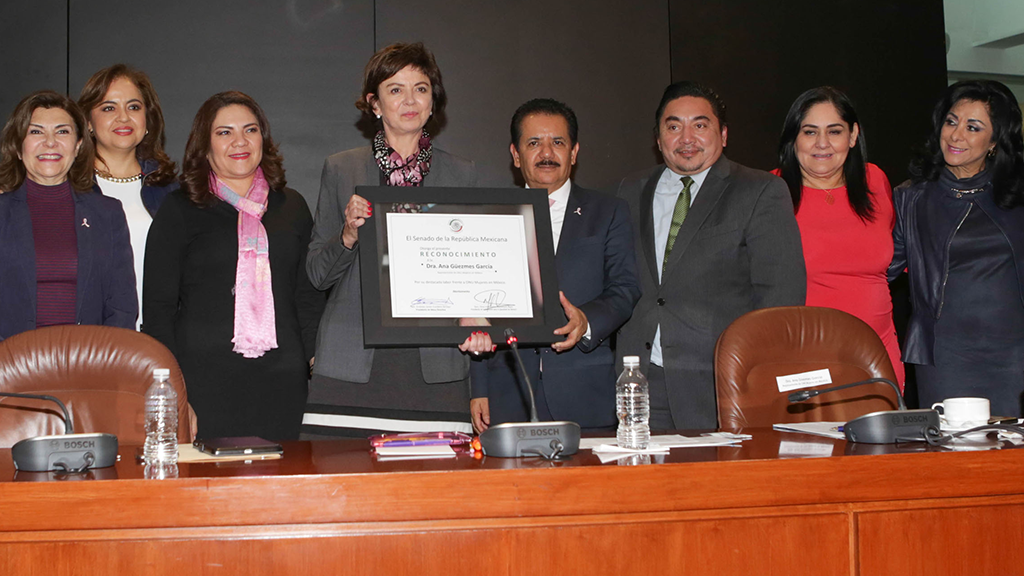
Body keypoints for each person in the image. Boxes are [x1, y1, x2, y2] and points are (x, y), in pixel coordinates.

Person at [302, 42, 483, 438]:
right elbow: (317, 273)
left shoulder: (461, 174)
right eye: (395, 89)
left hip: (434, 368)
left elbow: (473, 270)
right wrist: (348, 235)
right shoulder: (342, 168)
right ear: (375, 103)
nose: (410, 100)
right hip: (352, 363)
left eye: (421, 88)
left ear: (433, 102)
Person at [615, 81, 806, 430]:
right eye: (674, 127)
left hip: (721, 384)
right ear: (658, 140)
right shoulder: (631, 190)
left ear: (724, 134)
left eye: (700, 125)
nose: (686, 138)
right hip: (641, 383)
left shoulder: (760, 191)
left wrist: (756, 381)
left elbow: (781, 299)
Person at [144, 91, 324, 440]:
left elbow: (307, 297)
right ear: (204, 145)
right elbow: (158, 312)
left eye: (250, 130)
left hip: (283, 382)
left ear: (263, 139)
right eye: (224, 132)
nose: (239, 141)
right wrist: (176, 397)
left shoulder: (292, 206)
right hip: (203, 384)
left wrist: (318, 366)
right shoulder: (179, 209)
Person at [469, 99, 641, 433]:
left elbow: (625, 288)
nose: (547, 152)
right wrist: (480, 388)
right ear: (516, 155)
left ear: (574, 152)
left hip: (586, 392)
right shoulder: (489, 215)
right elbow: (475, 305)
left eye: (558, 143)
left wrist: (586, 320)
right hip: (507, 395)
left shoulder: (608, 211)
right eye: (534, 143)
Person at [890, 80, 1024, 417]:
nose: (955, 135)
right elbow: (880, 268)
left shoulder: (1019, 197)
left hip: (1015, 355)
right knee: (957, 454)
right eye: (951, 122)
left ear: (994, 142)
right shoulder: (912, 198)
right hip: (946, 356)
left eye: (973, 127)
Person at [774, 86, 904, 386]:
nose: (822, 144)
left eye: (834, 131)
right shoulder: (772, 192)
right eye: (809, 132)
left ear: (853, 135)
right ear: (794, 137)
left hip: (878, 353)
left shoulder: (875, 180)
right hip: (804, 355)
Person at [0, 90, 135, 341]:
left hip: (89, 365)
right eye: (36, 131)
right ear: (18, 147)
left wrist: (109, 364)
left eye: (62, 131)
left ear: (78, 145)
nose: (50, 142)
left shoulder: (108, 214)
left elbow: (122, 306)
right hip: (10, 367)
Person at [78, 64, 177, 330]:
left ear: (147, 120)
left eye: (134, 107)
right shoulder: (67, 190)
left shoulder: (174, 193)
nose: (123, 117)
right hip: (89, 345)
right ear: (88, 121)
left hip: (160, 342)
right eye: (108, 108)